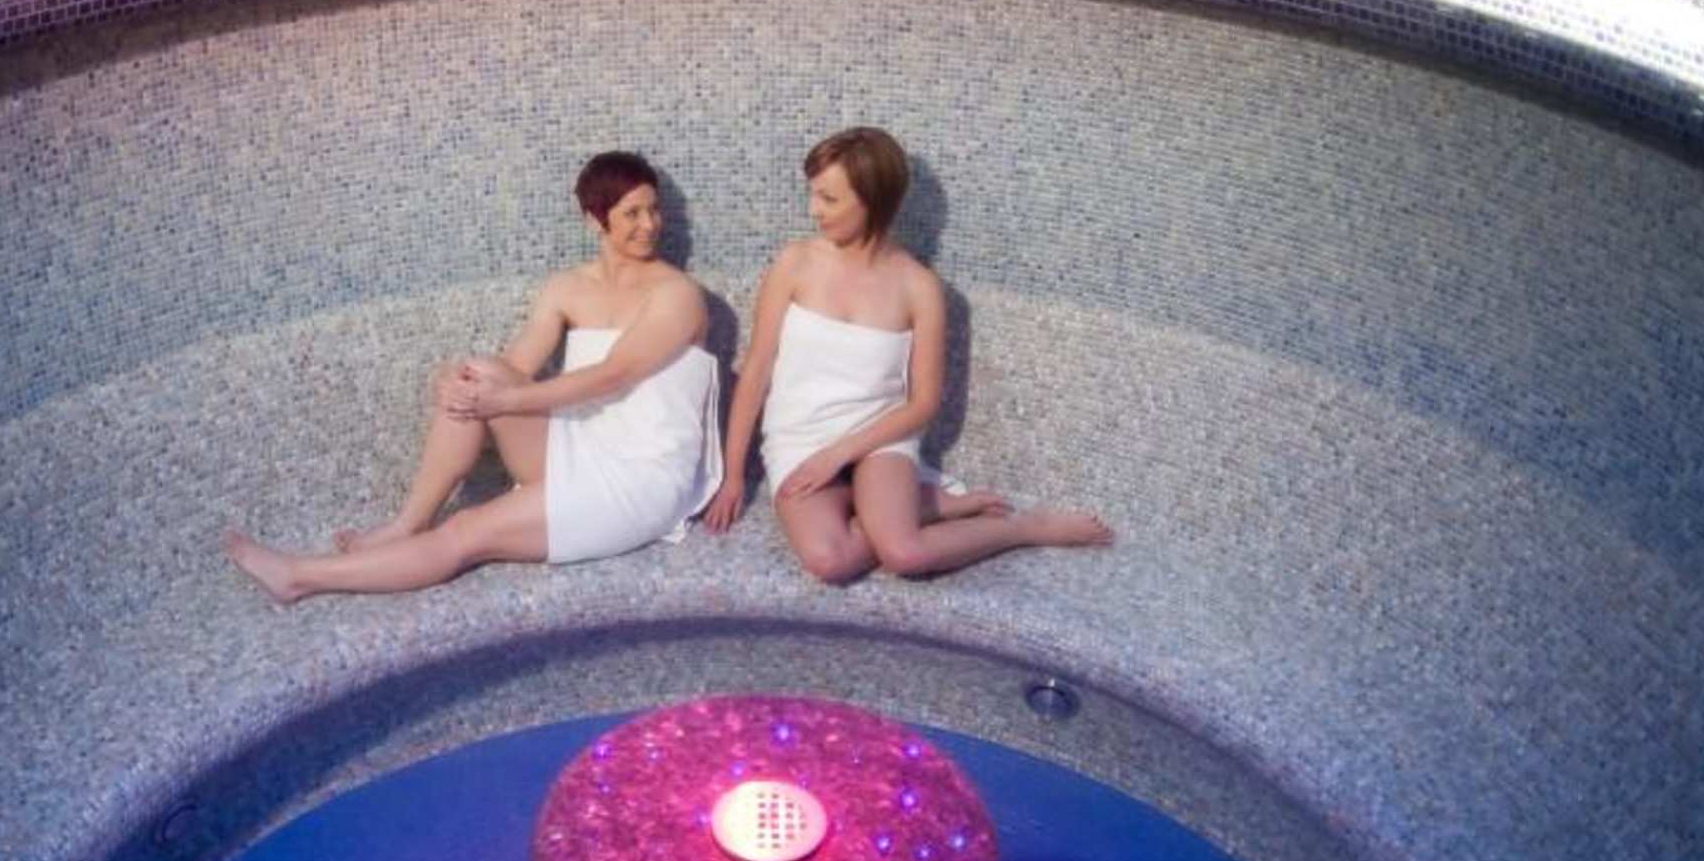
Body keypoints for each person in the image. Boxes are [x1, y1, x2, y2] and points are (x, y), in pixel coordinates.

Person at [226, 153, 721, 601]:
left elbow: (613, 374)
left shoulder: (677, 295)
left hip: (641, 475)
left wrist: (504, 403)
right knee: (476, 374)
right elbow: (515, 367)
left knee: (466, 531)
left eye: (653, 210)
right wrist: (453, 381)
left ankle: (299, 577)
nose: (650, 225)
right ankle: (408, 523)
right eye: (632, 213)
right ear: (595, 219)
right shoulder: (568, 287)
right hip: (582, 443)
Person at [704, 127, 1111, 581]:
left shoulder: (918, 287)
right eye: (813, 194)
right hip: (800, 436)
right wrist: (732, 476)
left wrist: (839, 454)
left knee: (906, 555)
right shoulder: (795, 263)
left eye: (829, 199)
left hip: (879, 435)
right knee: (830, 561)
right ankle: (923, 507)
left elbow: (923, 403)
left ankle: (1023, 528)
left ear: (873, 202)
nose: (813, 210)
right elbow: (757, 369)